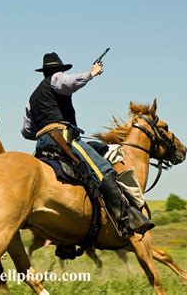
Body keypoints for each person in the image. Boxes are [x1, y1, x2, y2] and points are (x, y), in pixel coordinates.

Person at [24, 52, 154, 237]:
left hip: (42, 143)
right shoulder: (56, 78)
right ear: (58, 70)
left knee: (99, 147)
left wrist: (44, 130)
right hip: (61, 137)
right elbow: (67, 84)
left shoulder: (32, 98)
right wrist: (92, 73)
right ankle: (126, 220)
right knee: (103, 169)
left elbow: (26, 130)